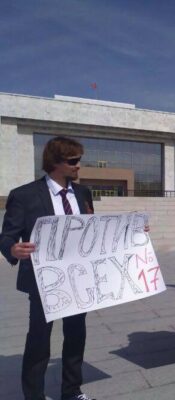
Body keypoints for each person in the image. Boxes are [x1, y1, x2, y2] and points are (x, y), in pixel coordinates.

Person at [0, 137, 95, 400]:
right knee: (39, 340)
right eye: (73, 161)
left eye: (79, 160)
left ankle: (72, 392)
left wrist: (131, 233)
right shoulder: (24, 195)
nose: (79, 165)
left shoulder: (83, 193)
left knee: (76, 336)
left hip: (77, 278)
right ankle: (34, 395)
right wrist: (12, 249)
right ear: (55, 162)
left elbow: (93, 232)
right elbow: (6, 236)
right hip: (44, 280)